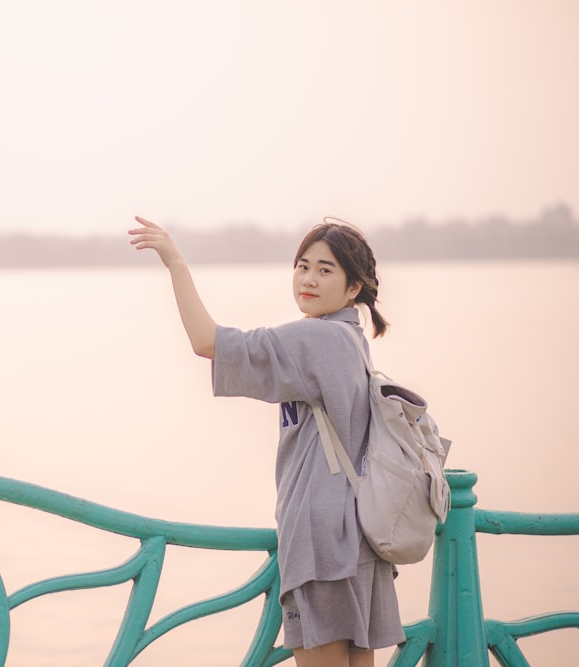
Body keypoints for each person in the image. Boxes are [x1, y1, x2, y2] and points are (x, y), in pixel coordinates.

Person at [127, 215, 405, 667]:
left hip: (321, 545)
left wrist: (175, 263)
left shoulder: (316, 337)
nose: (309, 279)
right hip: (356, 540)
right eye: (303, 265)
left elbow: (206, 341)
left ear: (354, 288)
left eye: (326, 269)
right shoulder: (351, 338)